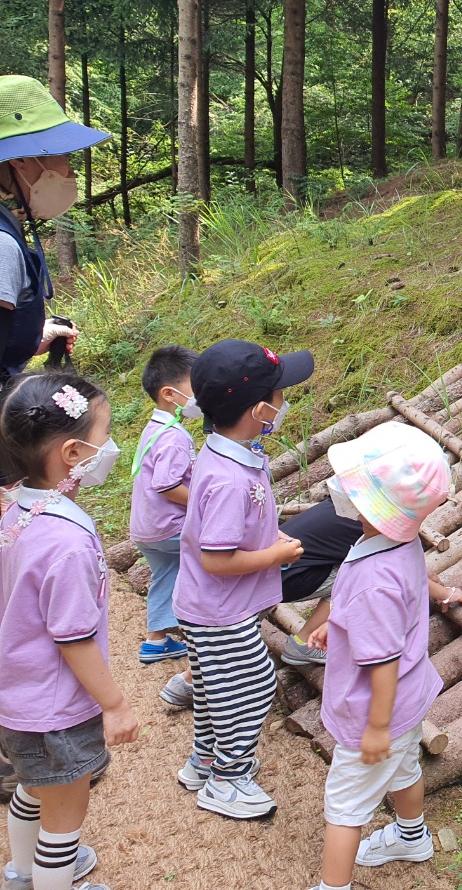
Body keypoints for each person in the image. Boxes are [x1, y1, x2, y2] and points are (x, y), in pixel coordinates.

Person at [305, 421, 462, 890]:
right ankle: (411, 837)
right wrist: (339, 630)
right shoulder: (396, 542)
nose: (341, 489)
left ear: (373, 502)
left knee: (346, 807)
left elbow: (383, 658)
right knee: (405, 765)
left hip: (377, 710)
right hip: (409, 699)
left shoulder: (375, 573)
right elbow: (387, 615)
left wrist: (374, 727)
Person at [0, 372, 140, 890]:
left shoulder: (14, 505)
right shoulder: (68, 541)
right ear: (74, 452)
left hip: (17, 696)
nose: (111, 448)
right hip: (55, 708)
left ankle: (19, 873)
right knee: (64, 816)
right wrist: (116, 705)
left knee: (33, 787)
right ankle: (51, 877)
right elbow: (73, 638)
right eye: (104, 437)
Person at [171, 339, 313, 820]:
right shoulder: (231, 478)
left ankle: (203, 762)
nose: (283, 403)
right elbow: (217, 559)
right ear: (258, 410)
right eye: (278, 396)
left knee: (215, 688)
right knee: (251, 686)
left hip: (208, 605)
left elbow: (236, 529)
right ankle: (228, 780)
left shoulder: (234, 453)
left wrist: (268, 538)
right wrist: (272, 553)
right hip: (218, 610)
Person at [0, 75, 107, 382]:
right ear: (21, 160)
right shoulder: (2, 245)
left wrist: (32, 338)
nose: (69, 169)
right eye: (60, 155)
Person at [131, 347, 199, 699]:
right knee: (201, 569)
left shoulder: (155, 428)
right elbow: (168, 484)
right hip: (170, 526)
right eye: (195, 384)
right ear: (170, 394)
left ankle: (155, 641)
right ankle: (201, 635)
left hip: (145, 528)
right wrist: (205, 501)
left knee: (165, 574)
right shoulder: (175, 435)